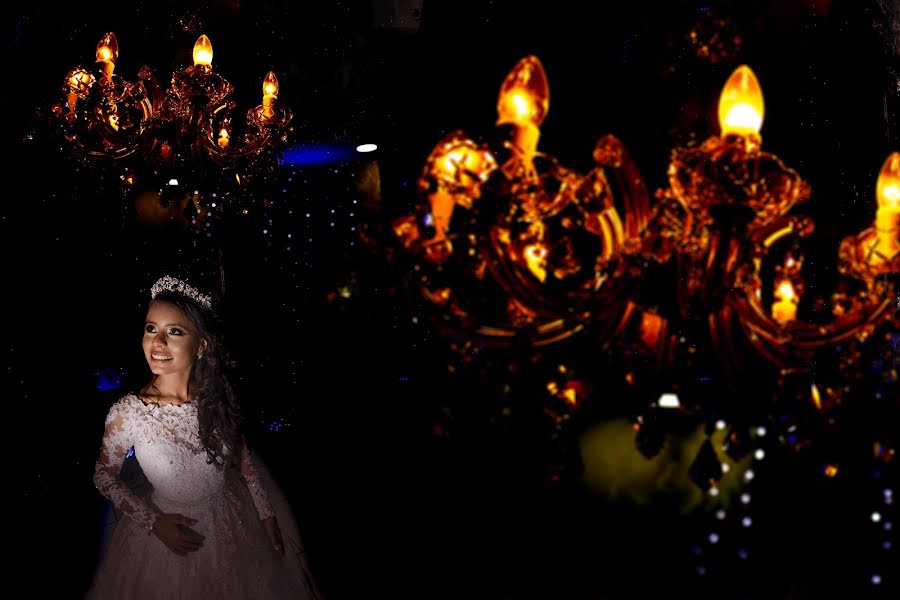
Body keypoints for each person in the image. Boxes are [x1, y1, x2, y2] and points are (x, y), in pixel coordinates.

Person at [86, 275, 321, 599]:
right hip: (165, 531)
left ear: (201, 345)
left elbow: (243, 463)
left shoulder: (219, 399)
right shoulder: (128, 413)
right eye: (151, 328)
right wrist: (154, 523)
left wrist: (266, 515)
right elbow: (103, 476)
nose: (157, 342)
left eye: (175, 332)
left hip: (229, 522)